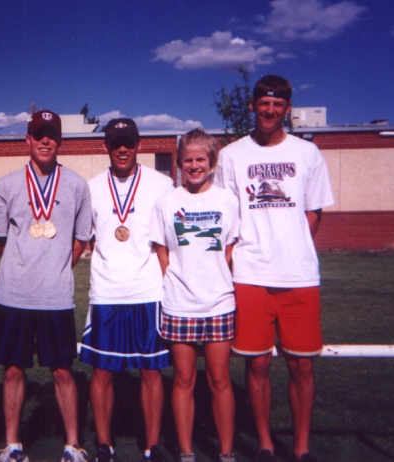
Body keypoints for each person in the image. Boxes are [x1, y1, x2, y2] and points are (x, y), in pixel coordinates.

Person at [214, 75, 335, 462]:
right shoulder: (232, 155)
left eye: (277, 105)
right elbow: (225, 217)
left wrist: (290, 246)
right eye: (263, 104)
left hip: (299, 275)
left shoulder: (308, 153)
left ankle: (301, 448)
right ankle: (265, 444)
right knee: (258, 362)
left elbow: (313, 213)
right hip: (249, 275)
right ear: (252, 106)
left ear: (287, 109)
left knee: (301, 365)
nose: (269, 111)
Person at [0, 110, 92, 462]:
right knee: (14, 369)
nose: (45, 140)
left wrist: (56, 265)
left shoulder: (77, 184)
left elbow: (81, 240)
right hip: (14, 293)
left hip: (56, 295)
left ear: (60, 141)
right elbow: (1, 240)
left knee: (63, 370)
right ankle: (13, 444)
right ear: (27, 140)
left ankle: (72, 445)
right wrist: (26, 264)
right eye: (39, 134)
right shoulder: (6, 185)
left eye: (51, 135)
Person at [80, 118, 173, 462]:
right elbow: (82, 237)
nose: (123, 149)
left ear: (138, 145)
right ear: (105, 145)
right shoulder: (90, 188)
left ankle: (152, 446)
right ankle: (104, 444)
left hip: (148, 290)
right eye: (116, 142)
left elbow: (170, 240)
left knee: (151, 371)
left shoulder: (162, 184)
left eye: (129, 142)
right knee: (102, 371)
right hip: (106, 292)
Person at [150, 129, 239, 462]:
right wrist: (179, 282)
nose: (194, 165)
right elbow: (162, 252)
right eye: (187, 160)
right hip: (179, 304)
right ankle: (186, 452)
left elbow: (228, 250)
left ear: (212, 161)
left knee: (220, 379)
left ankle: (226, 452)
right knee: (184, 379)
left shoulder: (227, 201)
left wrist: (214, 280)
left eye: (201, 159)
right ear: (179, 163)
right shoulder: (167, 202)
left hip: (218, 302)